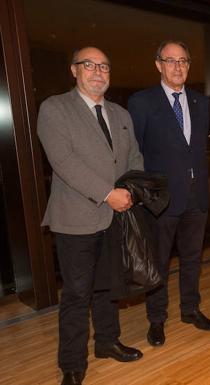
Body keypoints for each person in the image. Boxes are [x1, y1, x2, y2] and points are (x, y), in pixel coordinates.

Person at [37, 47, 144, 385]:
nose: (98, 72)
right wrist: (108, 194)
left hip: (115, 217)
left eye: (104, 66)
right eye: (89, 65)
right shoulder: (54, 109)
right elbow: (64, 162)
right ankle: (71, 364)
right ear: (74, 70)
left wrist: (132, 191)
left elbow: (134, 158)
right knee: (77, 294)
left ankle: (107, 342)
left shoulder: (120, 114)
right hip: (76, 219)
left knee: (107, 287)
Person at [128, 40, 210, 348]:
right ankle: (156, 319)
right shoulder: (141, 102)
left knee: (193, 259)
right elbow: (134, 152)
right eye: (171, 61)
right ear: (158, 65)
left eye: (183, 61)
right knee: (159, 262)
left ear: (189, 66)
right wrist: (141, 195)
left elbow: (195, 151)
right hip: (160, 200)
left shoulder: (200, 103)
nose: (178, 67)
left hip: (196, 198)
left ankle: (190, 309)